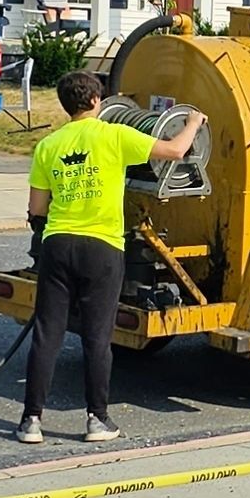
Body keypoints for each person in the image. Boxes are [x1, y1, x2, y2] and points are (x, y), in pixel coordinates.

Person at [17, 70, 203, 447]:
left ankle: (31, 421)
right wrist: (194, 123)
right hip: (102, 248)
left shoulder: (48, 145)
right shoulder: (115, 136)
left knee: (48, 335)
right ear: (95, 101)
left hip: (58, 244)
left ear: (66, 105)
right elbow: (175, 151)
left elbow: (37, 208)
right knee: (97, 338)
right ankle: (97, 419)